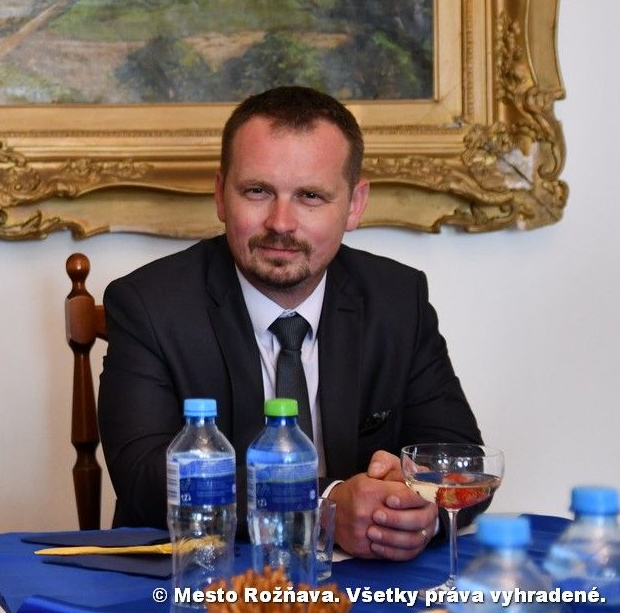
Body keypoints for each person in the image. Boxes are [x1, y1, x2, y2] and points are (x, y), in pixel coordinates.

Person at [97, 85, 483, 561]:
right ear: (220, 195)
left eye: (310, 196)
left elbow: (463, 460)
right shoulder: (148, 304)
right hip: (204, 578)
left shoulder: (398, 299)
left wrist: (416, 505)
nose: (281, 222)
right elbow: (143, 479)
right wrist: (325, 504)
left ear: (355, 204)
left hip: (364, 580)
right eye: (257, 191)